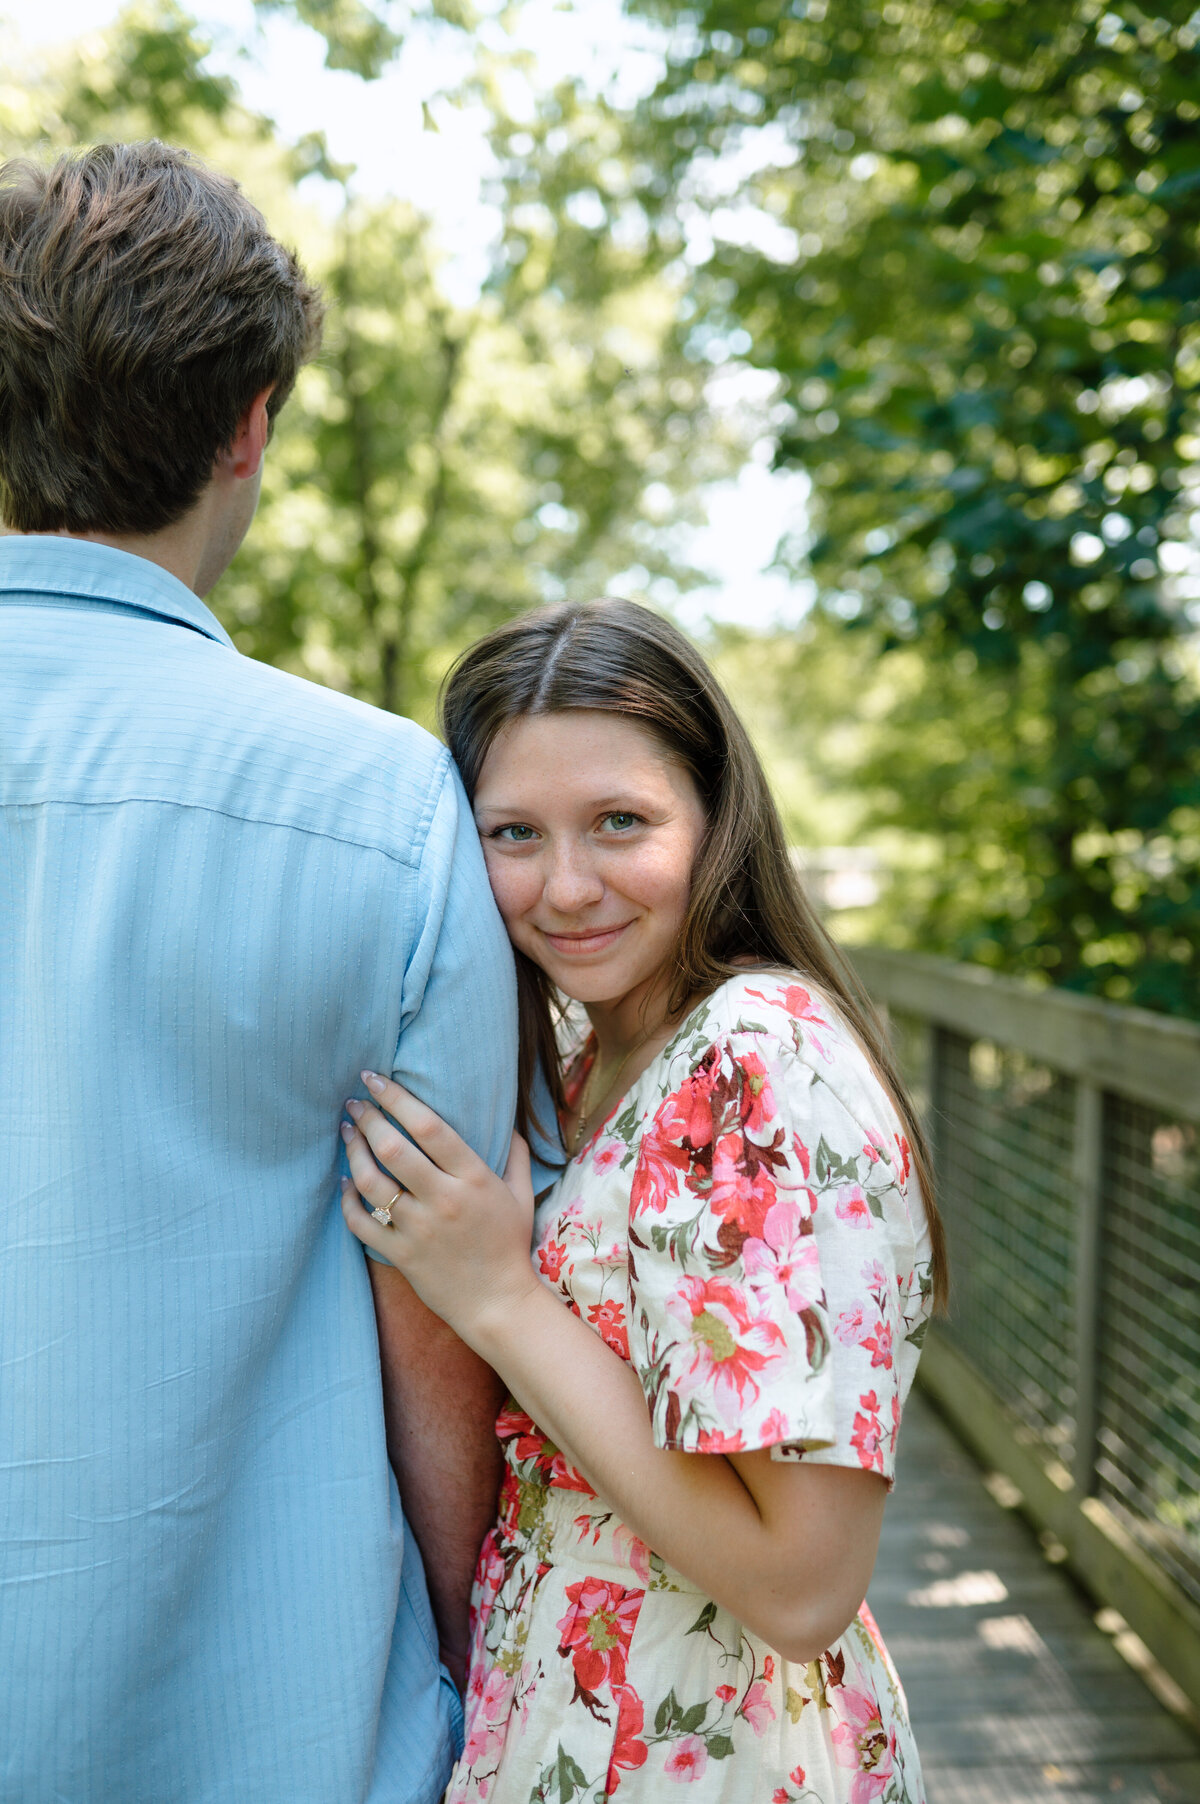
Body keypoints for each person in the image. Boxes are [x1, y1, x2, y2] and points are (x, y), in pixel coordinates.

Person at [0, 141, 523, 1803]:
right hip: (278, 1729)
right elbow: (435, 1295)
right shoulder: (381, 803)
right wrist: (473, 1651)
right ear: (252, 422)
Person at [340, 598, 948, 1803]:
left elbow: (802, 1585)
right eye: (512, 833)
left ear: (715, 819)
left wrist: (498, 1293)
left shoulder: (758, 1059)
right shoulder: (600, 1060)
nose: (566, 887)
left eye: (620, 821)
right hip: (578, 1720)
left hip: (716, 1751)